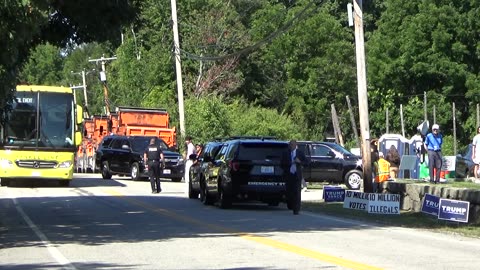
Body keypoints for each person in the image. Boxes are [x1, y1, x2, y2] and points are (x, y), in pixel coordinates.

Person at [283, 140, 308, 215]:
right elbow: (282, 164)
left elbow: (306, 162)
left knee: (297, 192)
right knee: (290, 192)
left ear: (295, 145)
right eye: (290, 145)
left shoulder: (300, 153)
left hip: (297, 175)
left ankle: (296, 209)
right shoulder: (286, 153)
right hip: (289, 175)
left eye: (293, 145)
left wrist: (299, 162)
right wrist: (289, 163)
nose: (291, 146)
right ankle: (291, 205)